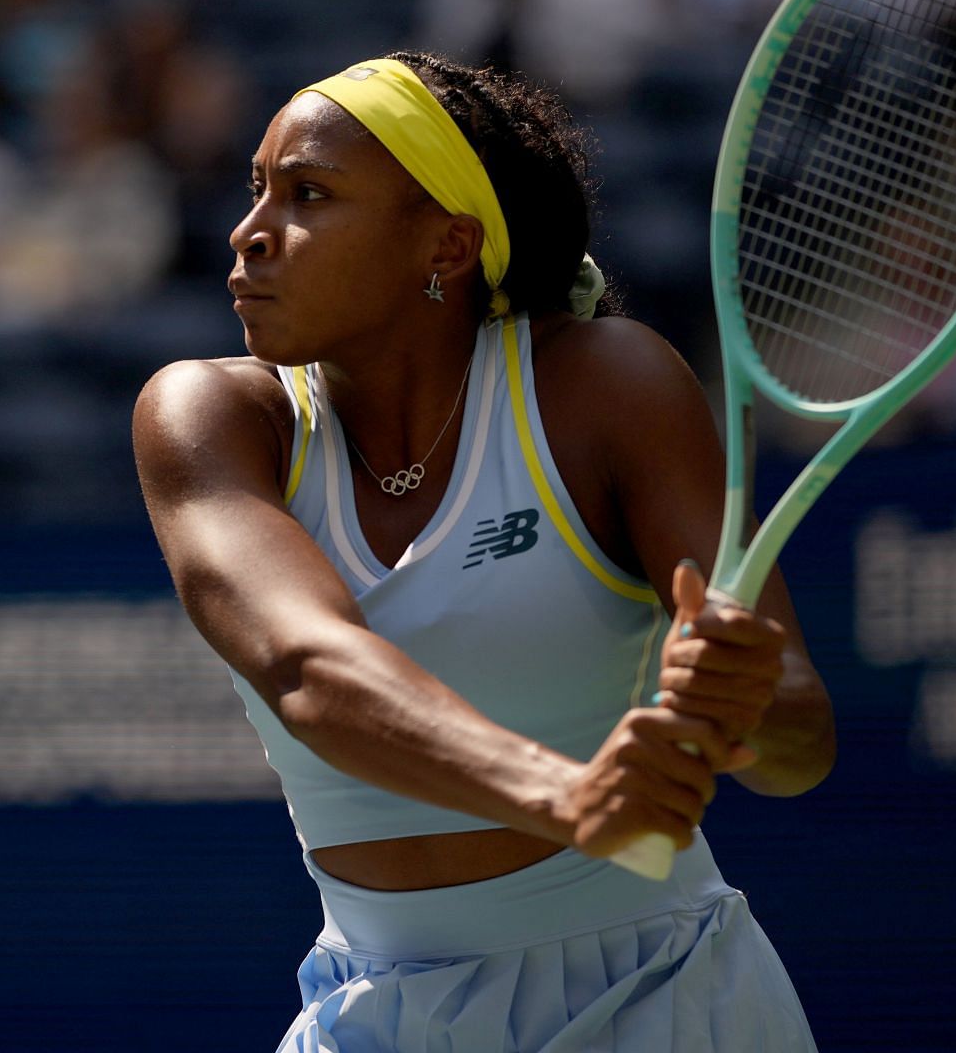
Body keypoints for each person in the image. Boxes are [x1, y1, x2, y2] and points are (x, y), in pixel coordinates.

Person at [133, 52, 834, 1050]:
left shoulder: (606, 383)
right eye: (258, 191)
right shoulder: (207, 413)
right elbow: (307, 667)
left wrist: (747, 703)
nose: (250, 232)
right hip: (370, 1009)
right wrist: (570, 793)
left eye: (309, 194)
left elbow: (798, 745)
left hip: (661, 994)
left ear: (446, 245)